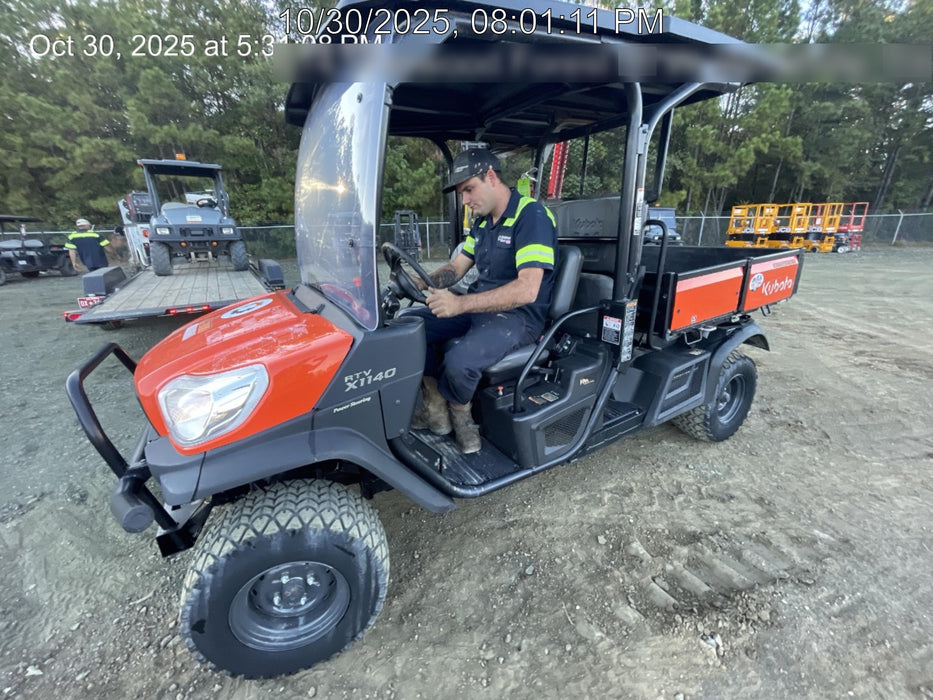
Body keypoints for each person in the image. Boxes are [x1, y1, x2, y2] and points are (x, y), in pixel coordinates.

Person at [405, 148, 557, 454]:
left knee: (460, 362)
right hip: (480, 307)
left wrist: (459, 305)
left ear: (490, 177)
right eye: (462, 193)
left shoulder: (532, 216)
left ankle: (464, 423)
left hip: (519, 316)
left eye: (468, 190)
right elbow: (456, 268)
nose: (465, 200)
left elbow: (527, 290)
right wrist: (420, 282)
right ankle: (436, 408)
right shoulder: (483, 223)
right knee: (409, 328)